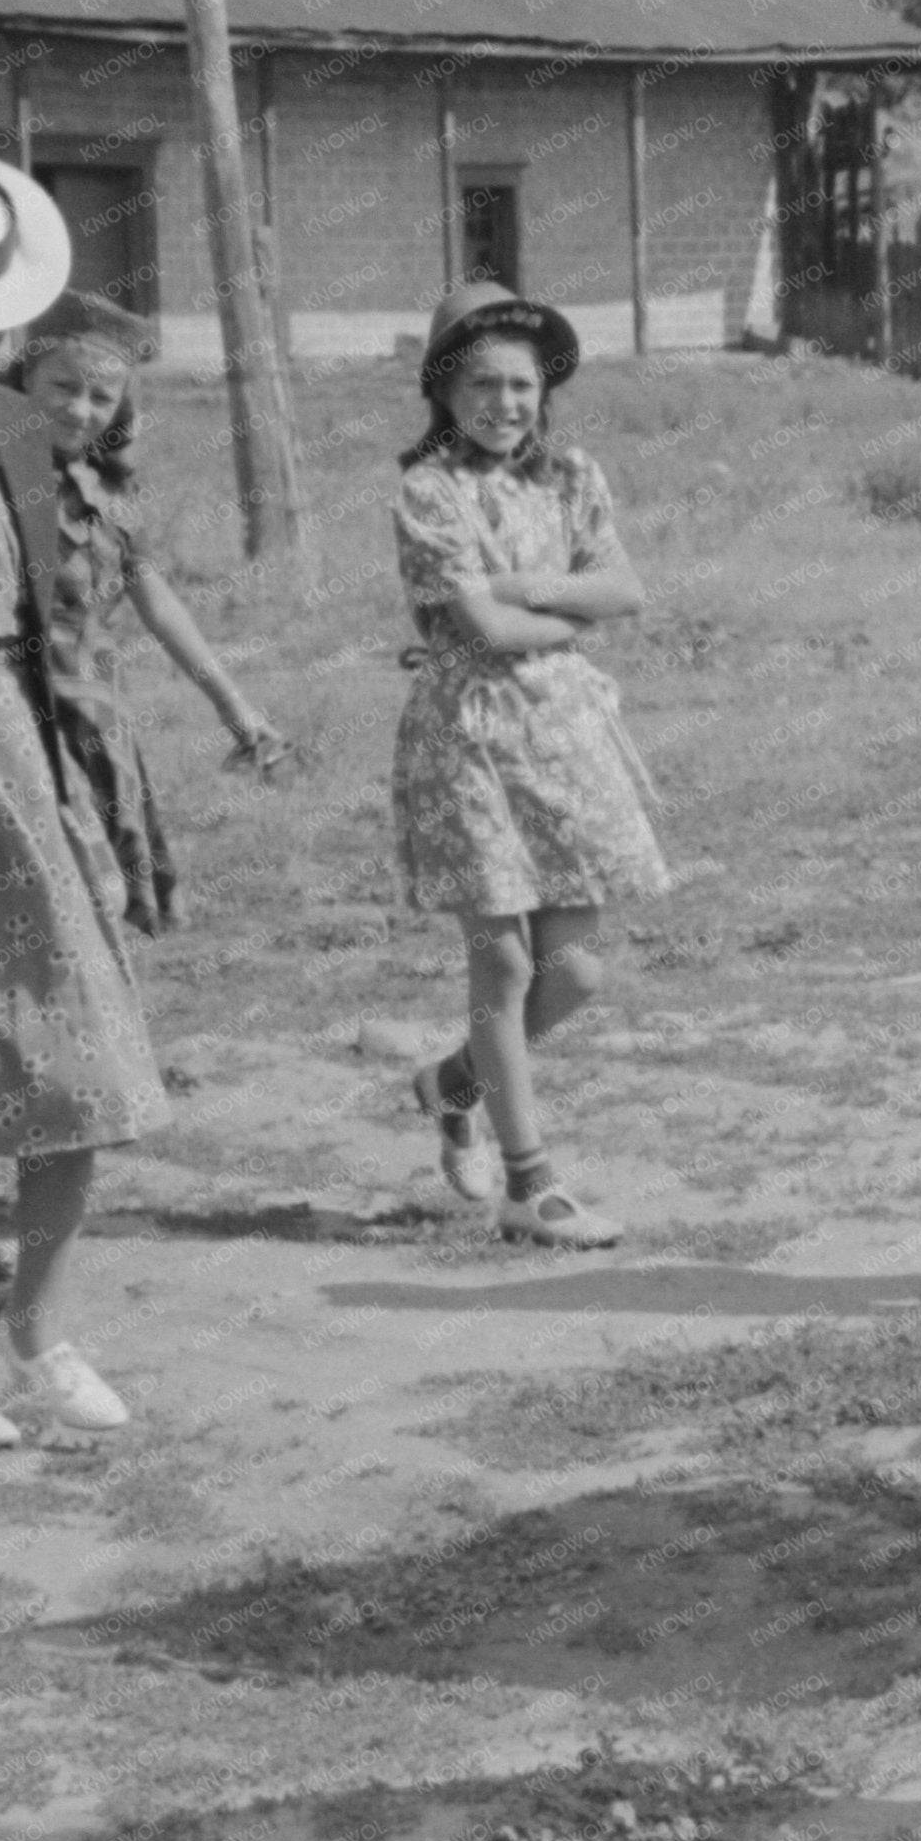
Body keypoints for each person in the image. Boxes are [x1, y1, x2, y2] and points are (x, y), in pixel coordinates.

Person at [0, 153, 168, 1444]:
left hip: (7, 752)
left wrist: (81, 806)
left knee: (78, 1045)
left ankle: (34, 1324)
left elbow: (45, 634)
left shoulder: (12, 434)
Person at [389, 280, 666, 1251]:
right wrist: (561, 610)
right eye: (483, 386)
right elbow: (483, 627)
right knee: (503, 959)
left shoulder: (572, 477)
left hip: (565, 735)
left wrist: (532, 584)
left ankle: (452, 1083)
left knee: (576, 972)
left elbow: (624, 587)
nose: (505, 405)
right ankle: (530, 1184)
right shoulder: (429, 491)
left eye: (521, 386)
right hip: (468, 737)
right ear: (446, 394)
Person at [4, 284, 298, 942]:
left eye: (101, 397)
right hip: (13, 722)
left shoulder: (107, 487)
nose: (80, 409)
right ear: (26, 377)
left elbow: (155, 599)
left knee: (94, 908)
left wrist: (234, 707)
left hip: (94, 719)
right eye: (63, 387)